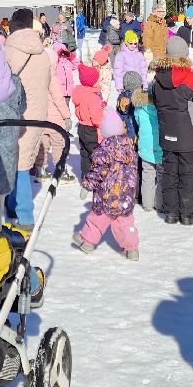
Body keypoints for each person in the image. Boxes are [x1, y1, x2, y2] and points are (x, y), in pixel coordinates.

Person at [151, 35, 193, 225]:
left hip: (166, 132)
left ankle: (171, 213)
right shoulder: (190, 78)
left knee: (169, 173)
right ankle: (187, 214)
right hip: (189, 134)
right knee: (188, 174)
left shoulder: (157, 79)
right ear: (185, 54)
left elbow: (156, 103)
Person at [0, 7, 50, 231]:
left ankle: (24, 213)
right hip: (37, 113)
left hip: (13, 113)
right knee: (23, 160)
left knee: (14, 162)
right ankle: (14, 205)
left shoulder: (8, 51)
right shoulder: (44, 53)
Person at [72, 109, 140, 260]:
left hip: (107, 196)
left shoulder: (104, 149)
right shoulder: (128, 146)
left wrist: (86, 185)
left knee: (97, 219)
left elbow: (98, 172)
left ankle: (88, 242)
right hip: (126, 195)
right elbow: (134, 170)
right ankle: (132, 249)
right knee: (125, 222)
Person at [127, 71, 161, 213]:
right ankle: (159, 204)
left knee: (147, 174)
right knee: (161, 175)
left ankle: (147, 204)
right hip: (159, 145)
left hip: (145, 146)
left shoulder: (138, 110)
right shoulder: (159, 110)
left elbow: (138, 123)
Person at [45, 41, 77, 180]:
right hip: (55, 117)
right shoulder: (53, 78)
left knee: (43, 143)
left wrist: (69, 55)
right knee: (59, 143)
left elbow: (76, 63)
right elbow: (59, 100)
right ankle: (60, 171)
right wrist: (67, 116)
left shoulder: (39, 77)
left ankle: (40, 168)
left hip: (42, 116)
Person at [71, 63, 106, 184]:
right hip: (92, 129)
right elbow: (96, 118)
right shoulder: (93, 97)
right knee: (95, 154)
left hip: (81, 126)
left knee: (85, 154)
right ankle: (97, 178)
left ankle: (86, 178)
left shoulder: (79, 93)